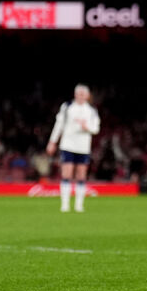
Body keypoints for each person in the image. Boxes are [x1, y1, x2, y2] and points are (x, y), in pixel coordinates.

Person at [47, 84, 100, 213]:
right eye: (79, 93)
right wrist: (52, 141)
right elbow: (58, 124)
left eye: (83, 94)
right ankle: (65, 205)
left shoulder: (91, 110)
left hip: (83, 147)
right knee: (67, 173)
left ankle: (78, 205)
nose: (81, 96)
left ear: (87, 96)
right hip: (68, 144)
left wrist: (86, 127)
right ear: (75, 94)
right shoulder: (67, 107)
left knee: (81, 175)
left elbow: (96, 129)